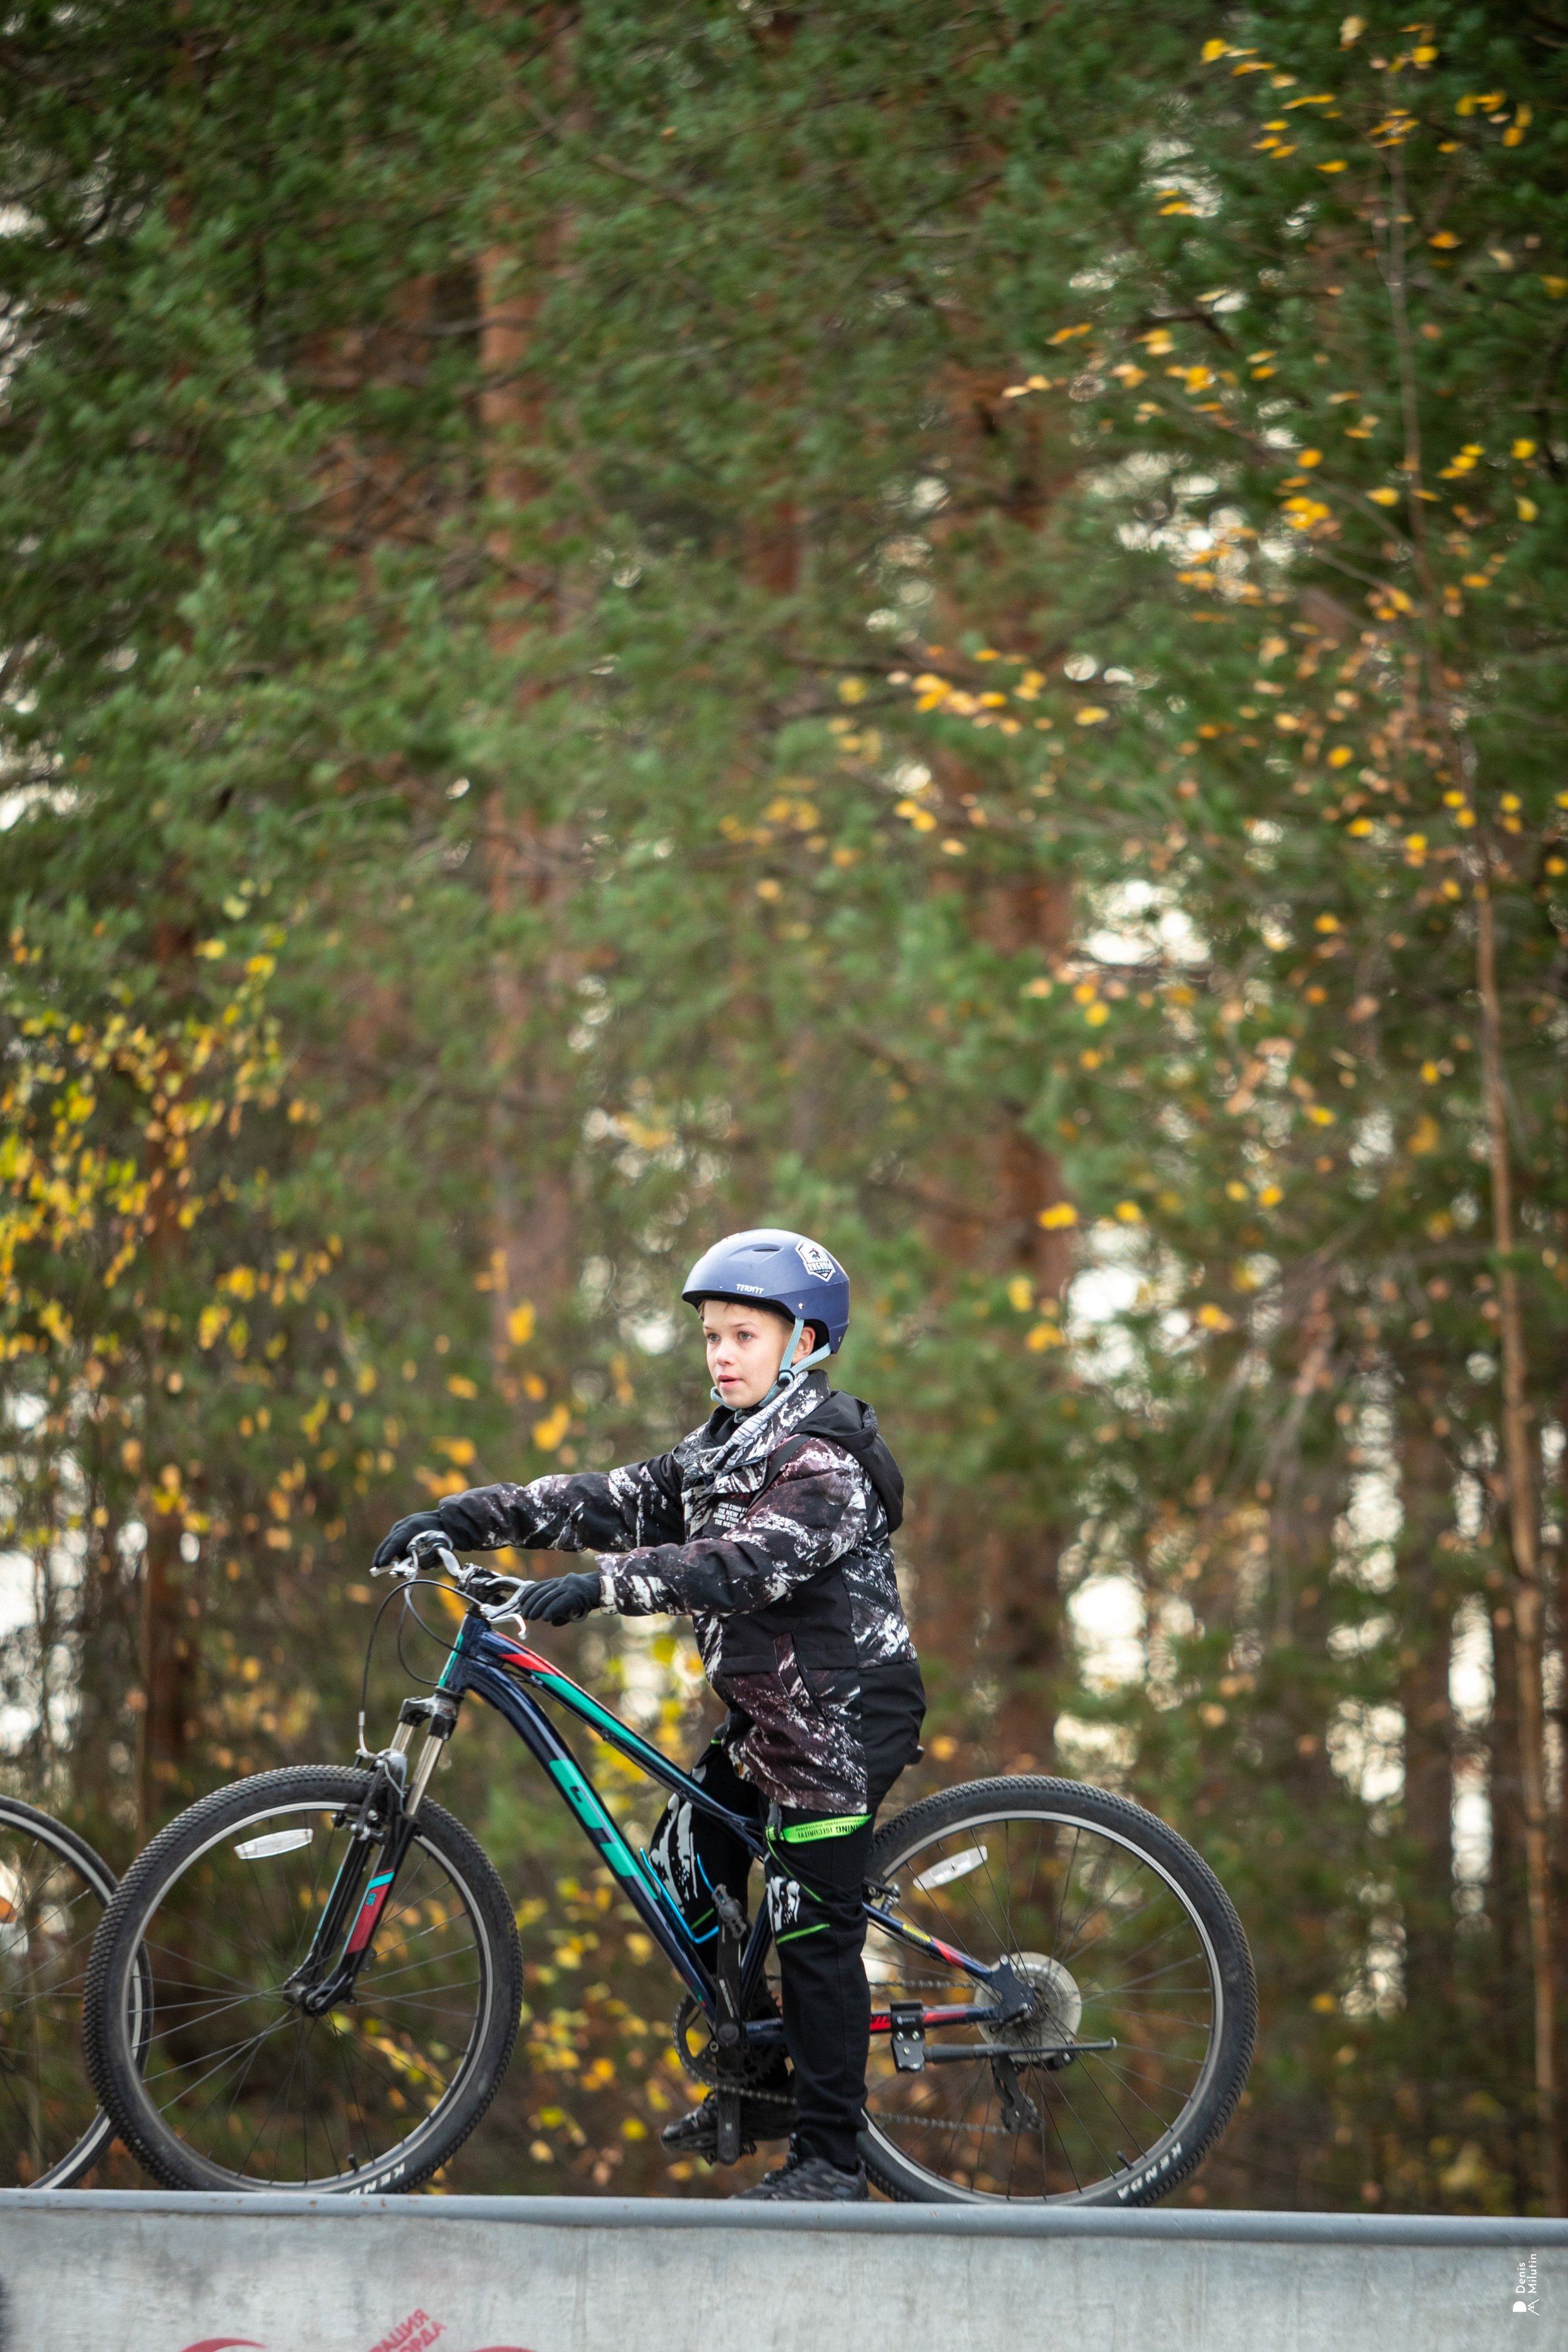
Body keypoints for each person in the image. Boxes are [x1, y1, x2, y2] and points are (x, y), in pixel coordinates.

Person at [374, 1227, 925, 2203]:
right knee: (683, 1867)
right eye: (712, 1335)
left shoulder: (826, 1461)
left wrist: (601, 1589)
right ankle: (758, 2079)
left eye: (744, 1336)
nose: (720, 1355)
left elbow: (745, 1567)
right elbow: (605, 1499)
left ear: (804, 1344)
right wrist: (461, 1516)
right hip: (768, 1719)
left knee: (809, 1924)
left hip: (840, 1722)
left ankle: (830, 2157)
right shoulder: (719, 1451)